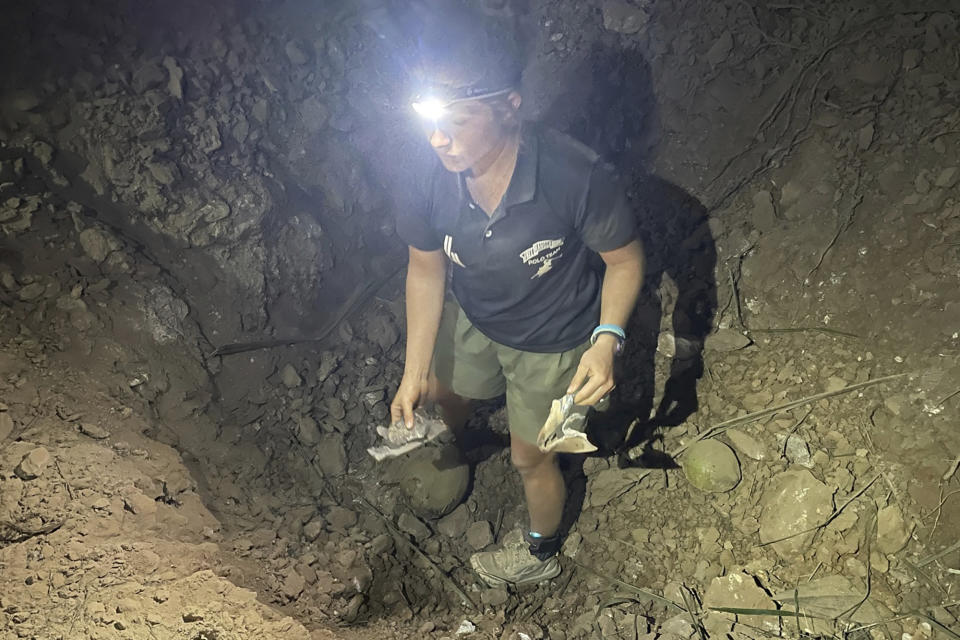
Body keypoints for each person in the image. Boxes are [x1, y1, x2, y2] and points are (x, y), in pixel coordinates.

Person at [389, 11, 645, 587]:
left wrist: (607, 341)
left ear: (510, 105)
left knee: (533, 458)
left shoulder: (574, 176)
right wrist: (413, 370)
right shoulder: (427, 172)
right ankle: (450, 448)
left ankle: (540, 552)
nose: (438, 139)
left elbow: (625, 261)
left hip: (556, 343)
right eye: (430, 120)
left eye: (458, 120)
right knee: (442, 393)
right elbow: (425, 270)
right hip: (478, 318)